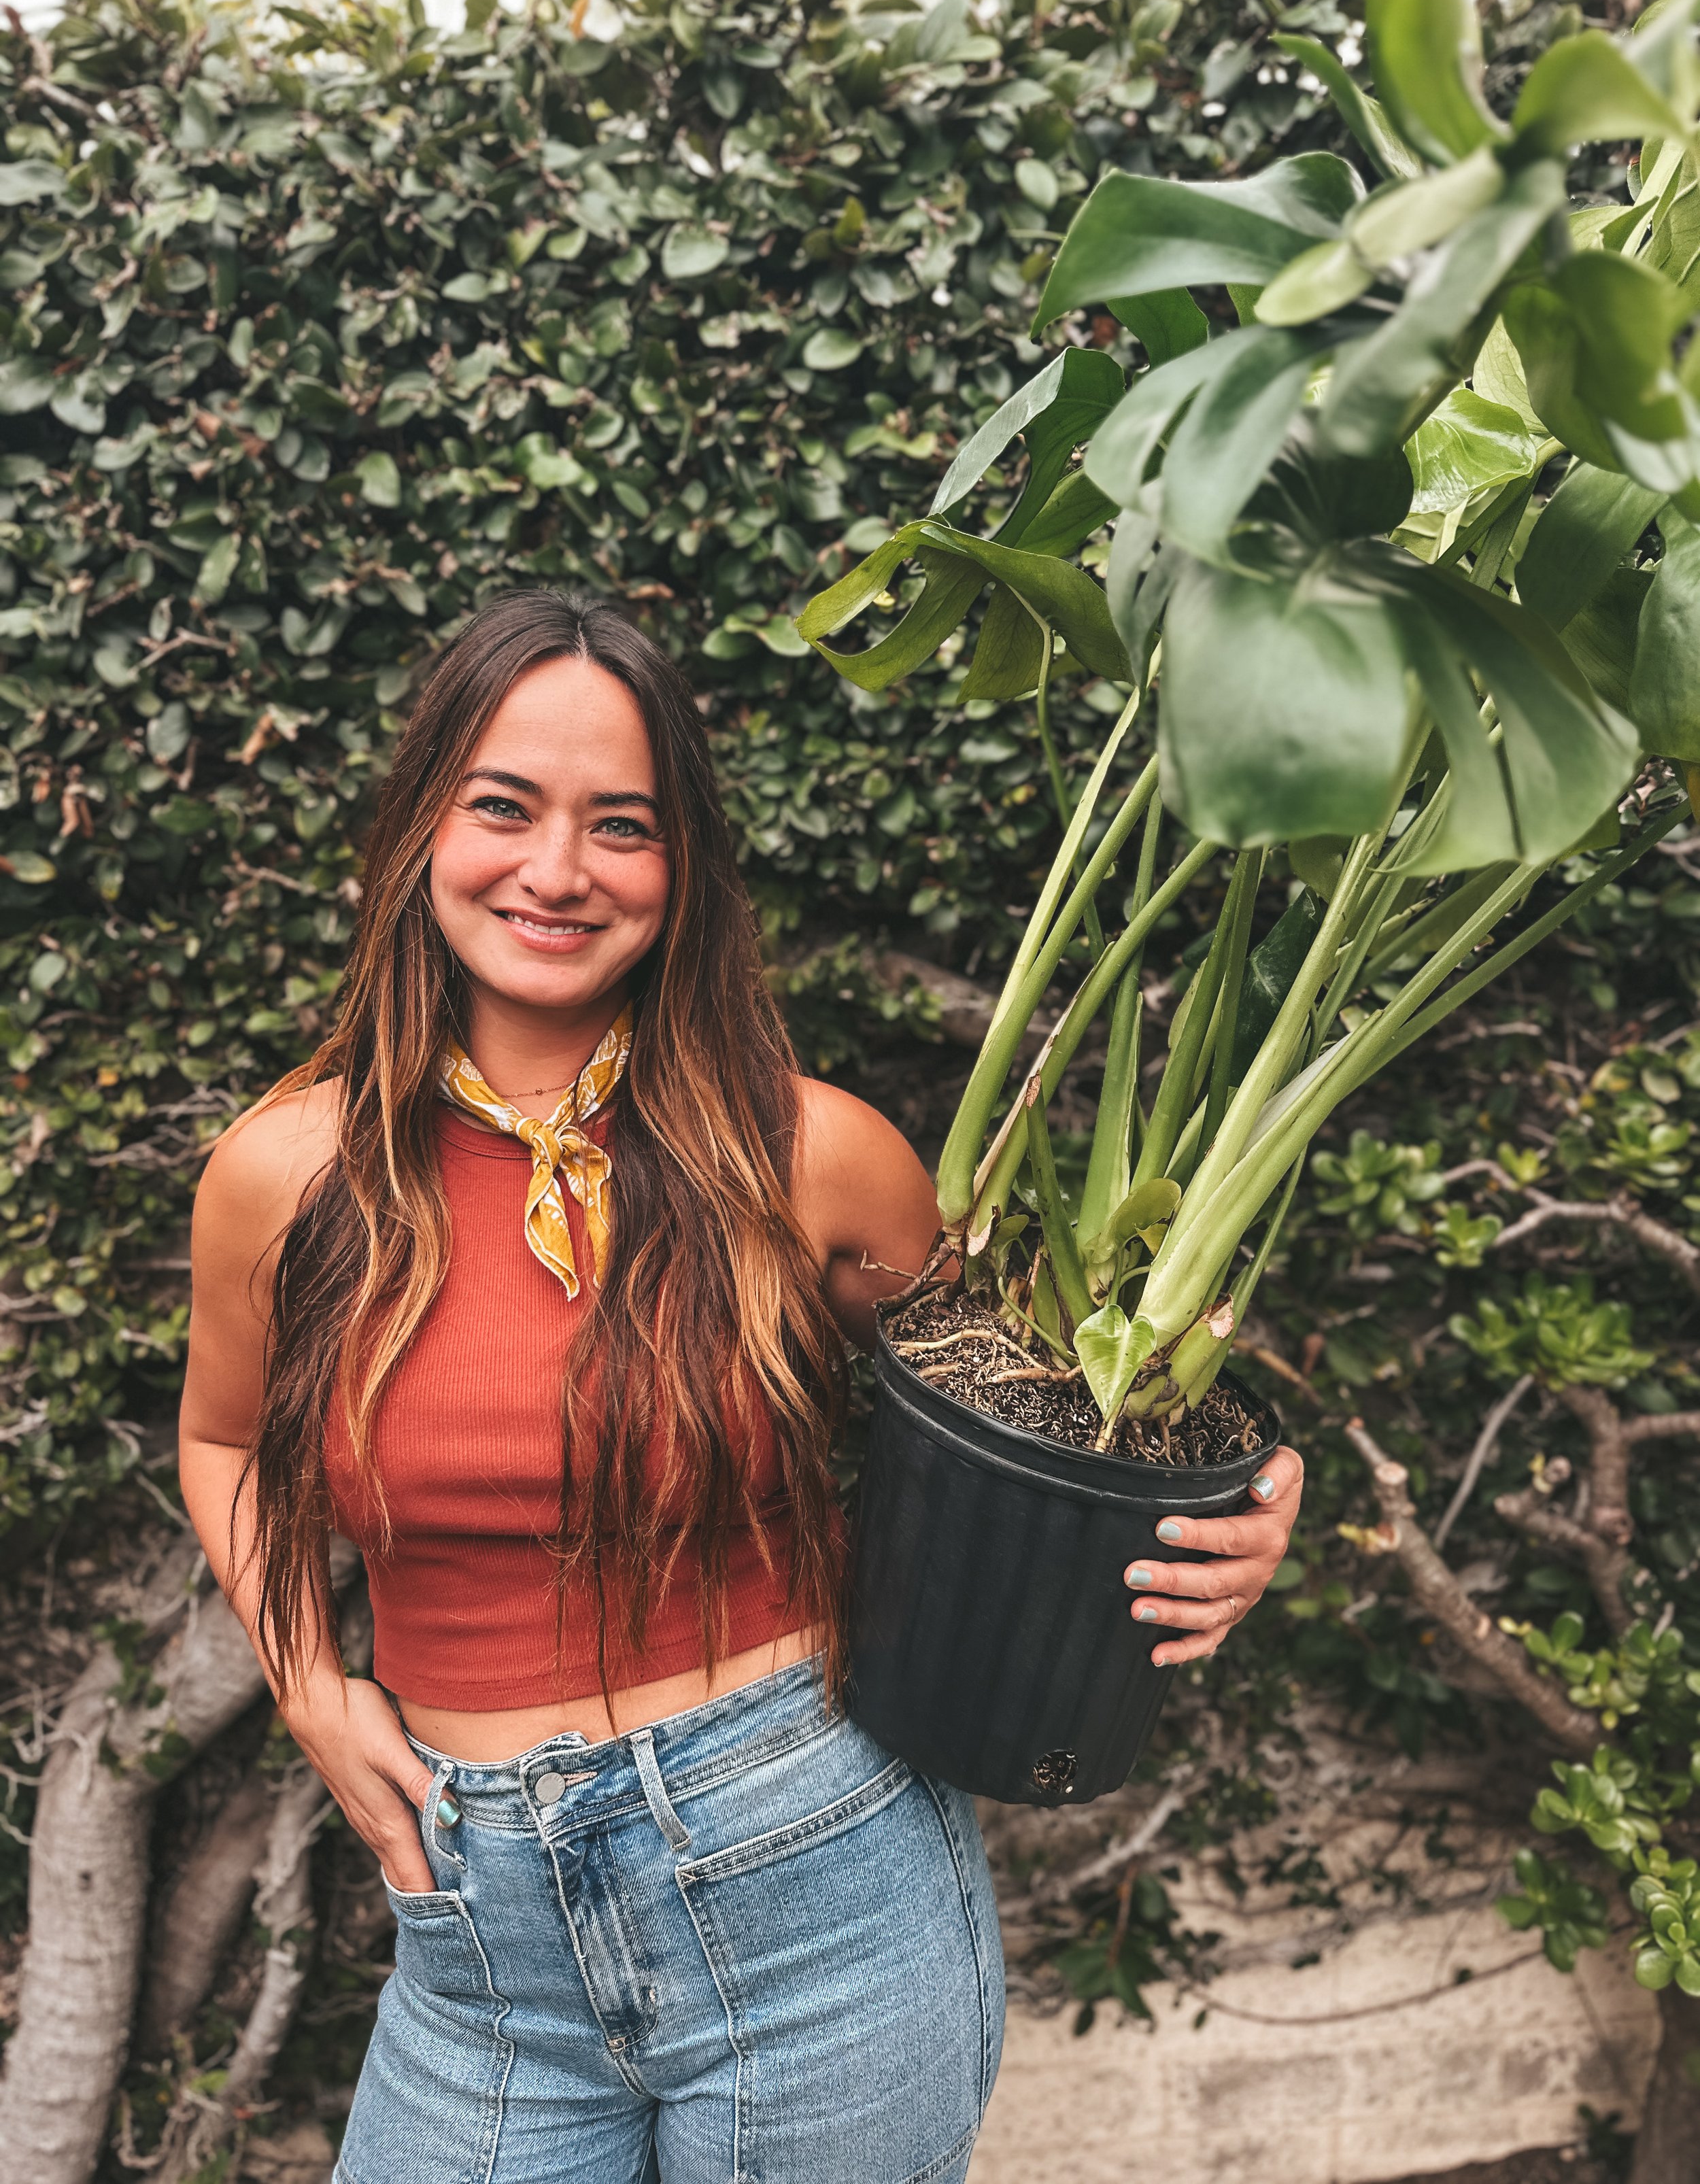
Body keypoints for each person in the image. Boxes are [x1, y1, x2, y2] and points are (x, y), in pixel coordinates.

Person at [179, 590, 1303, 2184]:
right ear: (421, 824)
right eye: (504, 805)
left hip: (813, 1875)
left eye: (619, 825)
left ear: (682, 865)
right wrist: (302, 1672)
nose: (556, 869)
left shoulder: (806, 1155)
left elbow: (1060, 1404)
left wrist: (1238, 1497)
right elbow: (223, 1435)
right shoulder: (284, 1176)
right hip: (476, 1922)